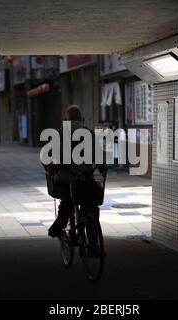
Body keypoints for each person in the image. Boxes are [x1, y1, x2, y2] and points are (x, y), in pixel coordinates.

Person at [45, 105, 107, 253]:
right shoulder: (76, 135)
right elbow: (101, 163)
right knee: (79, 204)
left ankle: (89, 243)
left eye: (74, 119)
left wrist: (102, 166)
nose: (73, 122)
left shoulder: (75, 135)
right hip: (75, 180)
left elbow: (99, 156)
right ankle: (89, 242)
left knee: (79, 205)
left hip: (75, 180)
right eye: (72, 119)